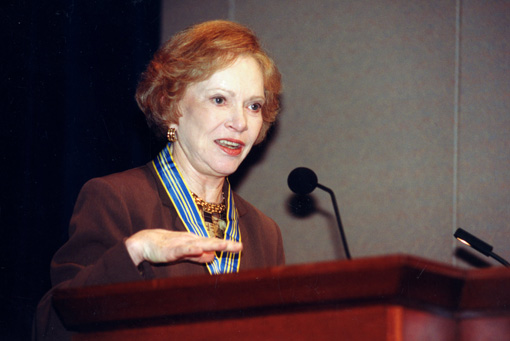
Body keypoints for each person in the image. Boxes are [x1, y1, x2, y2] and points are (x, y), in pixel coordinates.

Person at [34, 20, 284, 339]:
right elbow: (53, 324)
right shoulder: (116, 199)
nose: (240, 122)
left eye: (253, 106)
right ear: (172, 106)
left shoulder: (265, 232)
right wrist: (134, 252)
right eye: (220, 100)